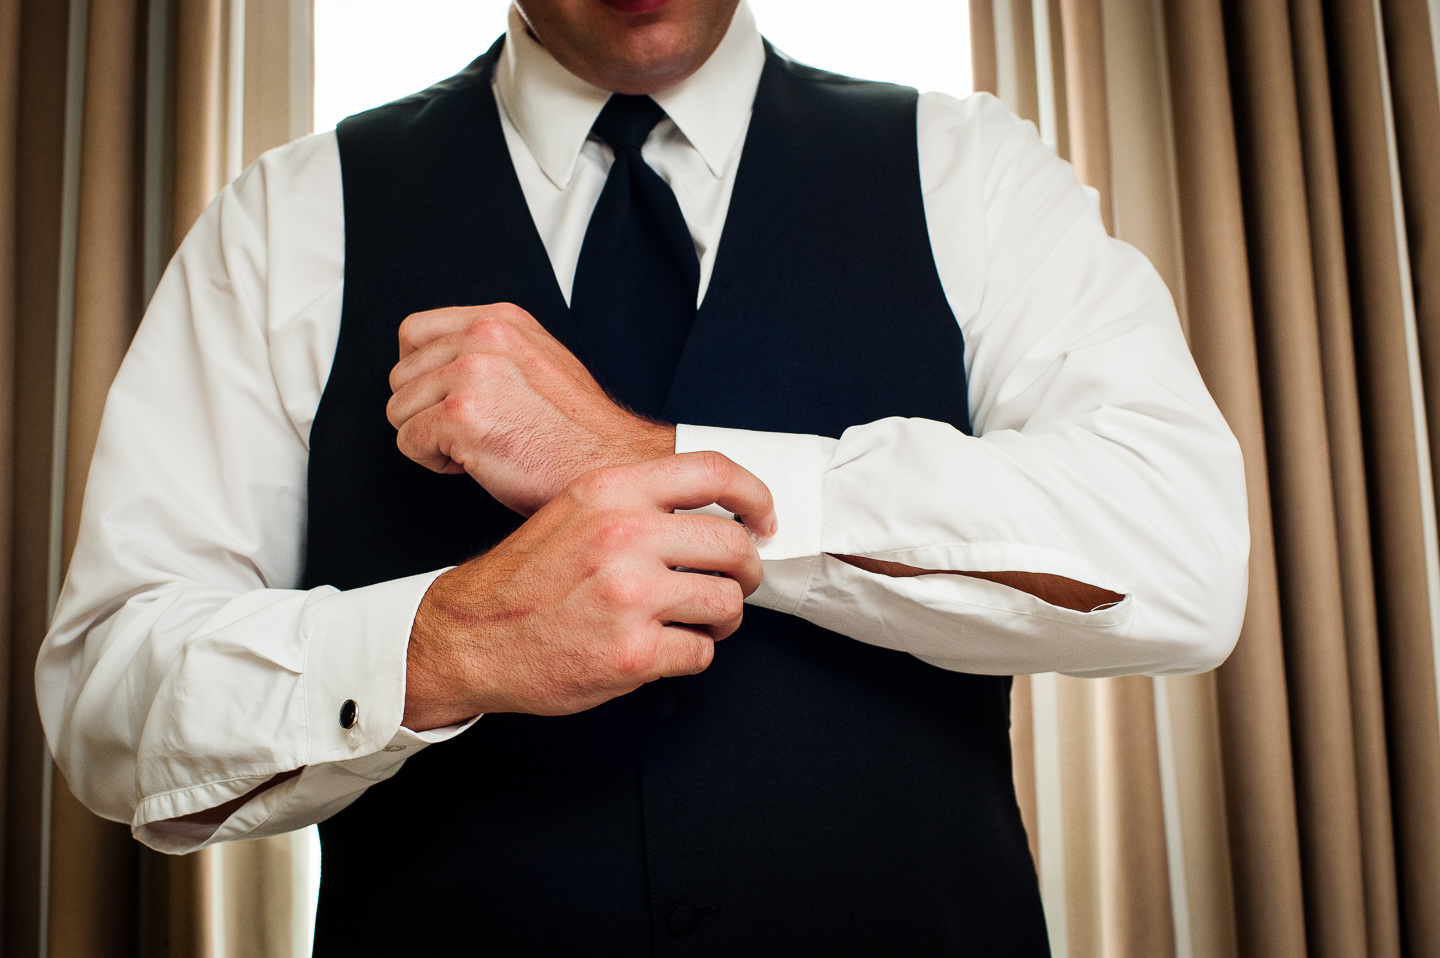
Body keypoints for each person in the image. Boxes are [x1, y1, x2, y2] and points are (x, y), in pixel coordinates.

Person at [37, 0, 1248, 953]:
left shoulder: (969, 169)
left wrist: (643, 461)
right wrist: (443, 642)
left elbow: (1182, 556)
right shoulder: (284, 219)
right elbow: (110, 699)